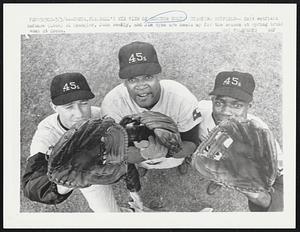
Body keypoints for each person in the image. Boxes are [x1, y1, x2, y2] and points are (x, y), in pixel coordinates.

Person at [22, 72, 131, 212]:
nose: (79, 113)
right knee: (108, 213)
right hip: (87, 174)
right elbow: (31, 186)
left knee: (131, 163)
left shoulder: (102, 116)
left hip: (103, 159)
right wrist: (67, 182)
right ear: (54, 107)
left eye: (83, 103)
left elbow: (127, 136)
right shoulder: (47, 135)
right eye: (69, 107)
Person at [101, 41, 202, 176]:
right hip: (139, 156)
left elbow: (192, 143)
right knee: (138, 161)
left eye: (148, 77)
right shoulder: (112, 104)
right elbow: (116, 152)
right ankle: (144, 166)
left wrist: (166, 152)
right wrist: (142, 155)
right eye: (132, 79)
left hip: (174, 157)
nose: (141, 85)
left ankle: (182, 162)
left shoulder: (182, 98)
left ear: (158, 77)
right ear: (124, 83)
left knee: (178, 159)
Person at [192, 71, 283, 211]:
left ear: (249, 106)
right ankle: (216, 179)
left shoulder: (260, 136)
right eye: (219, 102)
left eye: (237, 105)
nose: (226, 111)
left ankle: (220, 182)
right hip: (211, 153)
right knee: (212, 166)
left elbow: (281, 180)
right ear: (212, 100)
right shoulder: (200, 110)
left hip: (235, 165)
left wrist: (260, 196)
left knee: (226, 173)